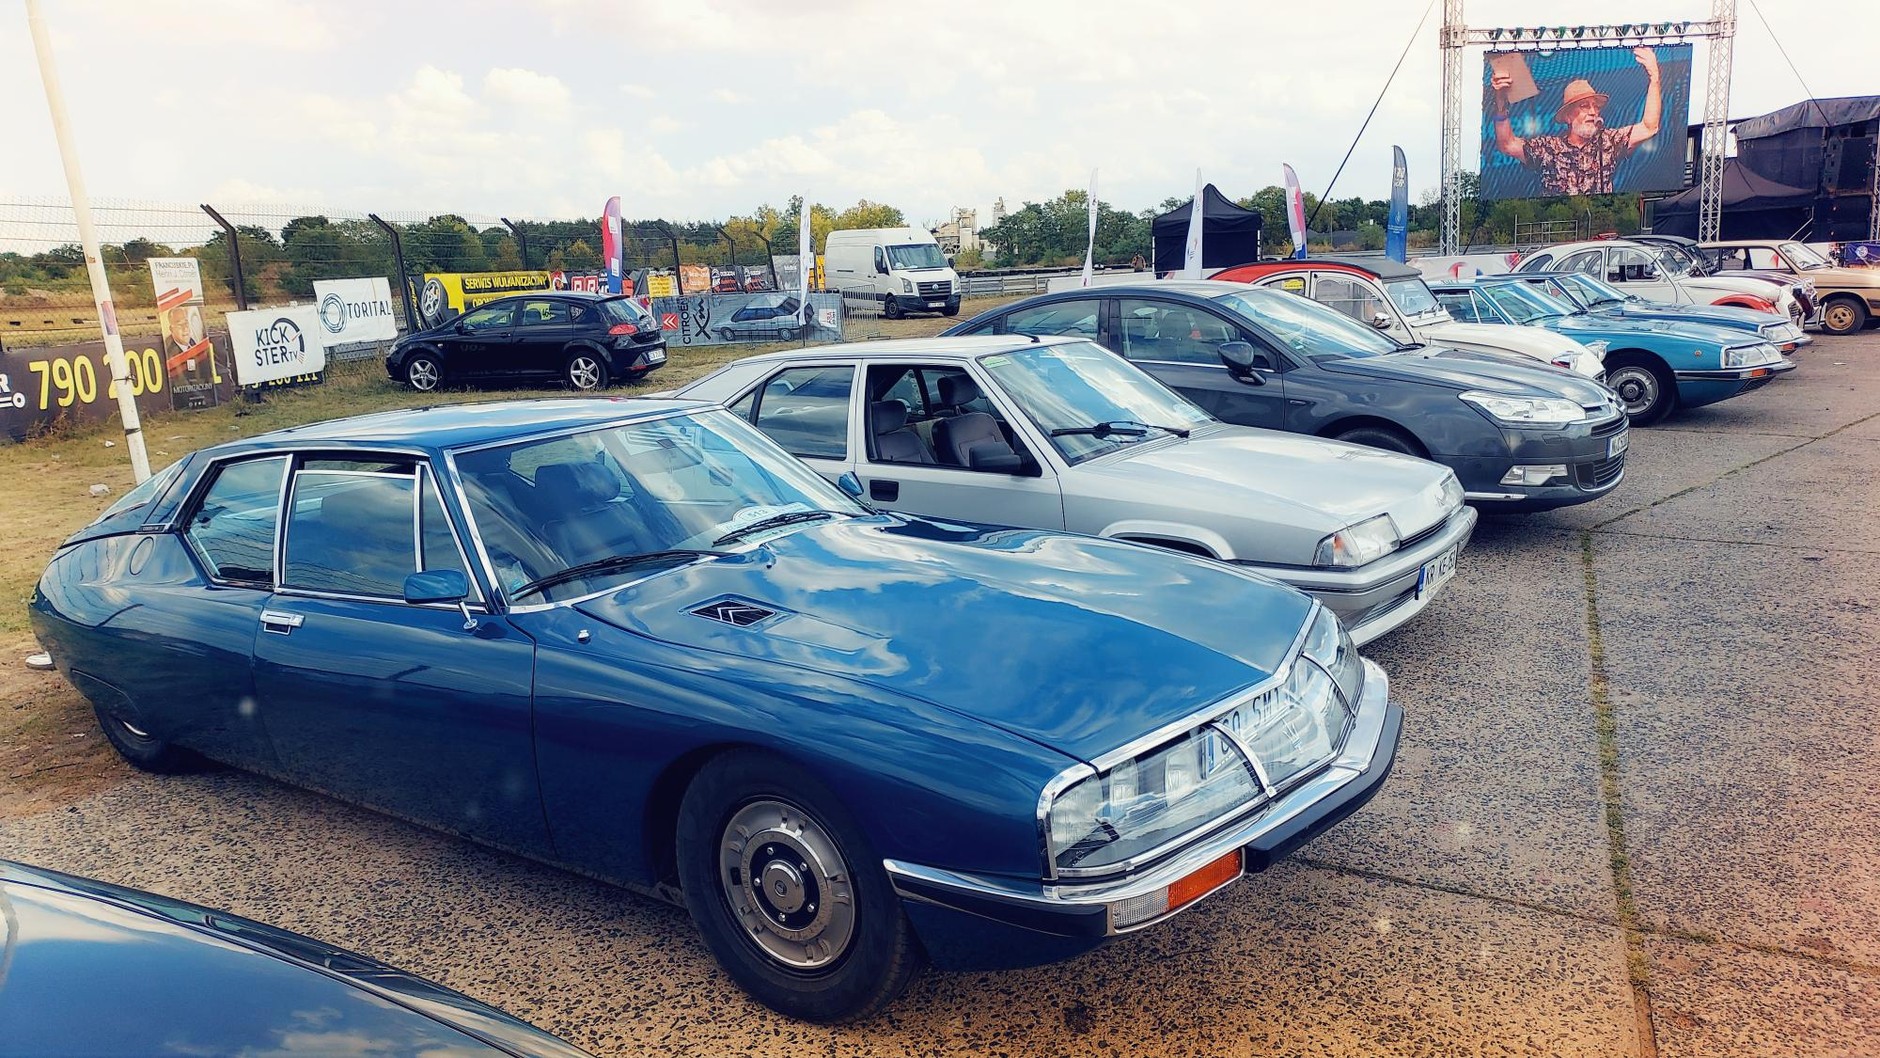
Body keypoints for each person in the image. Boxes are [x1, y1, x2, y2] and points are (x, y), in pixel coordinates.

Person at [1491, 48, 1662, 196]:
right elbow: (1507, 144)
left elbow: (1649, 127)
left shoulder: (1609, 141)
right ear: (1568, 116)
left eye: (1595, 107)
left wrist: (1654, 78)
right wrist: (1500, 102)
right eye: (1584, 106)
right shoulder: (1549, 148)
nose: (1593, 112)